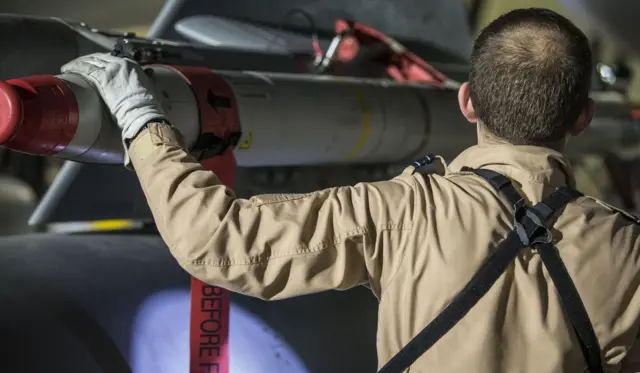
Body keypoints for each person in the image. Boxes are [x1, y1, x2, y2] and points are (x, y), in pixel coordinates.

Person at [61, 7, 640, 373]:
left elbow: (218, 241)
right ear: (583, 117)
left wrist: (140, 117)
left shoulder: (403, 211)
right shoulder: (626, 252)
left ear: (466, 101)